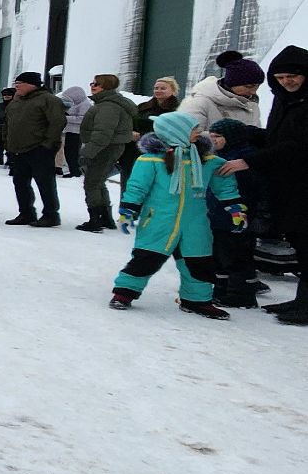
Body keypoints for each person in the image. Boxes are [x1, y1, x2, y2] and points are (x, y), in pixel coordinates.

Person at [108, 112, 239, 319]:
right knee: (146, 259)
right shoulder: (150, 159)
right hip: (158, 220)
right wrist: (128, 210)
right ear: (176, 133)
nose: (199, 133)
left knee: (199, 263)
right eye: (194, 129)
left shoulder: (206, 160)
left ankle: (197, 301)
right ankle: (124, 293)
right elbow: (136, 187)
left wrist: (235, 207)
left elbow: (224, 184)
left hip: (195, 223)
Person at [216, 45, 308, 323]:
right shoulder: (284, 100)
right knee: (299, 243)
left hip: (304, 184)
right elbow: (278, 139)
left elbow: (299, 146)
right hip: (287, 184)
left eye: (292, 76)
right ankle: (301, 301)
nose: (287, 82)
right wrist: (247, 133)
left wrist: (251, 160)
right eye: (280, 77)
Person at [205, 118, 262, 307]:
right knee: (220, 253)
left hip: (238, 214)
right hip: (219, 214)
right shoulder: (219, 156)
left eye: (218, 137)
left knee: (238, 254)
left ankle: (242, 293)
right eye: (211, 136)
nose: (214, 141)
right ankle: (221, 287)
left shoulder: (244, 159)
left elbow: (251, 188)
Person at [3, 71, 66, 226]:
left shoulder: (48, 100)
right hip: (18, 149)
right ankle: (26, 213)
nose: (16, 87)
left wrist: (47, 145)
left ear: (32, 84)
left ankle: (51, 215)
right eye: (15, 84)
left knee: (45, 183)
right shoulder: (16, 101)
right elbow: (7, 123)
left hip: (39, 149)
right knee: (20, 182)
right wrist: (7, 143)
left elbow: (57, 122)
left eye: (20, 84)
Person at [74, 73, 136, 232]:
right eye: (92, 83)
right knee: (98, 182)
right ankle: (105, 218)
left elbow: (102, 133)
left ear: (106, 87)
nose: (93, 86)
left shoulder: (108, 106)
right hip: (108, 147)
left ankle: (95, 220)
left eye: (97, 84)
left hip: (105, 148)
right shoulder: (106, 104)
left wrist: (87, 153)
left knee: (92, 183)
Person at [121, 76, 182, 188]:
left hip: (161, 153)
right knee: (130, 185)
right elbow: (130, 123)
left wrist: (142, 137)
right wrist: (129, 133)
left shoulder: (178, 110)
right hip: (133, 152)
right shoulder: (143, 107)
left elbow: (173, 132)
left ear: (173, 90)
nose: (158, 91)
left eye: (163, 88)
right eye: (156, 88)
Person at [178, 56, 263, 126]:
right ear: (232, 83)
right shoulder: (198, 102)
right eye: (248, 86)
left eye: (257, 86)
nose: (253, 92)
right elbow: (186, 136)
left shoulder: (251, 104)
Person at [60, 85, 91, 177]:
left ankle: (75, 171)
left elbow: (82, 119)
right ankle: (73, 170)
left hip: (77, 132)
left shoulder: (85, 104)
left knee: (72, 152)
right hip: (71, 130)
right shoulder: (77, 104)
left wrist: (66, 118)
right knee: (69, 151)